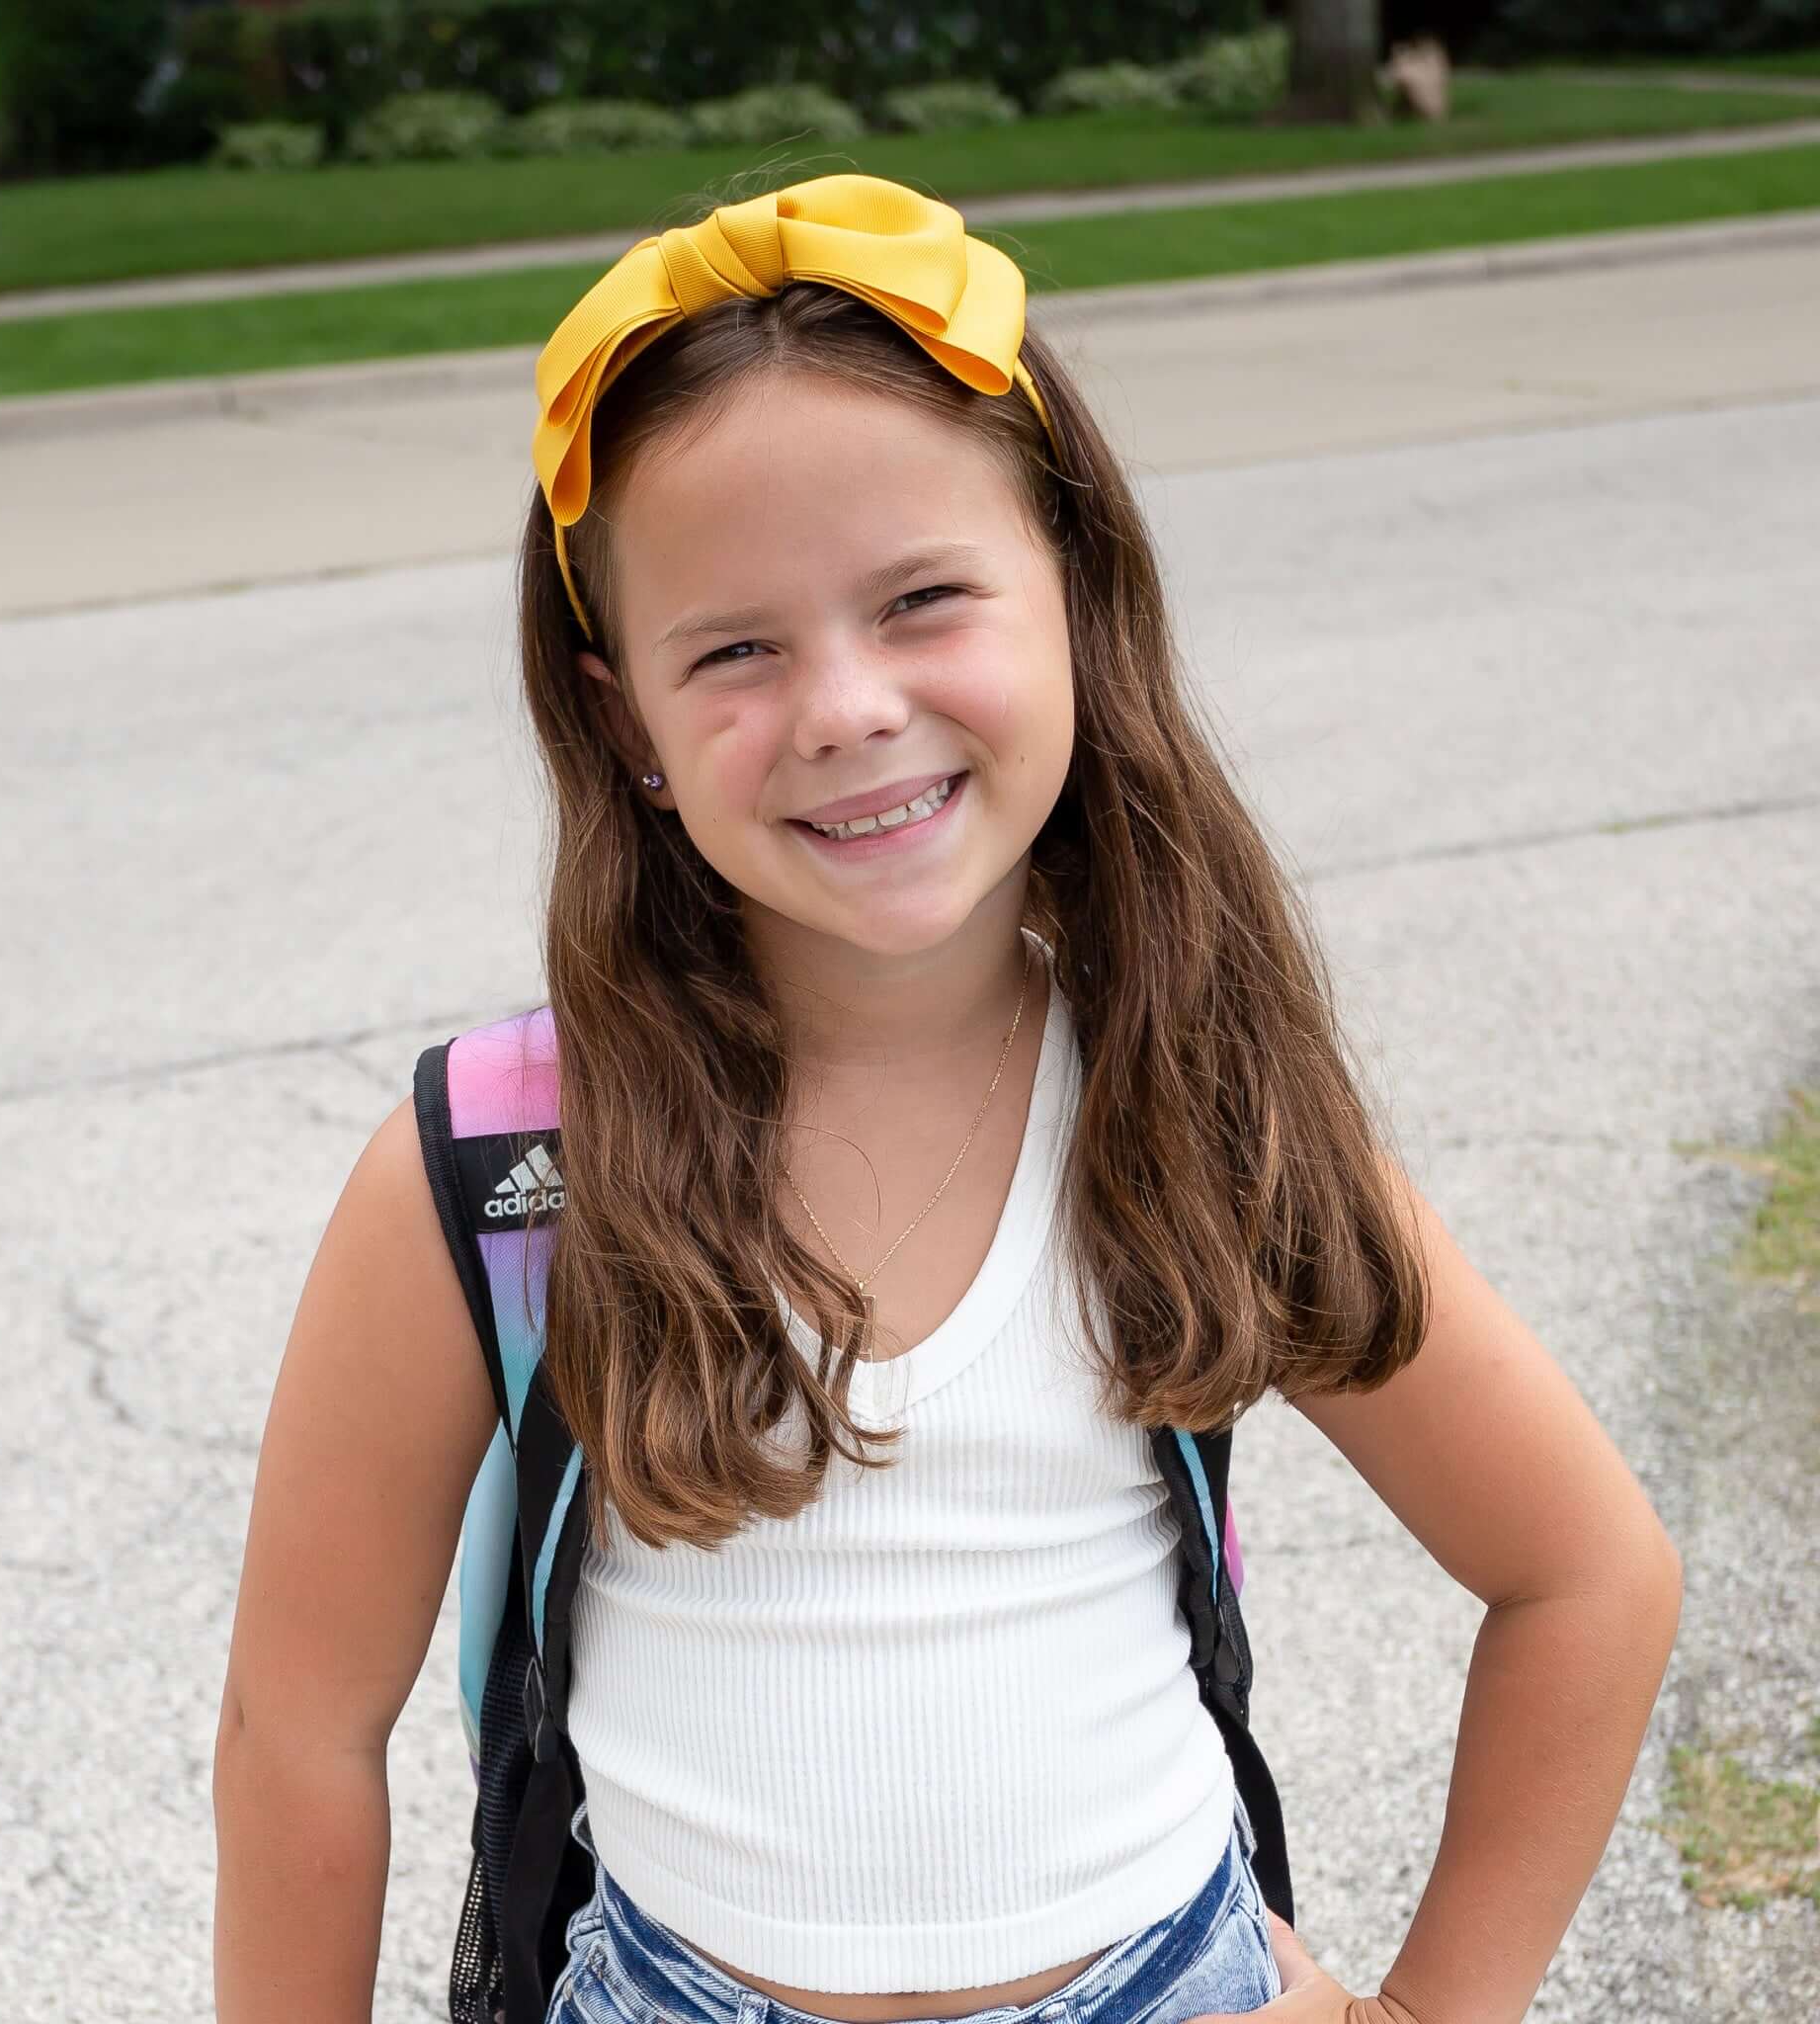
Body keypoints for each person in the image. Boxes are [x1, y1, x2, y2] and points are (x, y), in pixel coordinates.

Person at [210, 173, 1683, 2024]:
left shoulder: (1191, 1102)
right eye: (734, 649)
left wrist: (1428, 2015)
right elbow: (299, 1729)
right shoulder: (506, 1165)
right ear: (623, 727)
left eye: (922, 601)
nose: (844, 707)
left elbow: (1582, 1574)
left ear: (1071, 591)